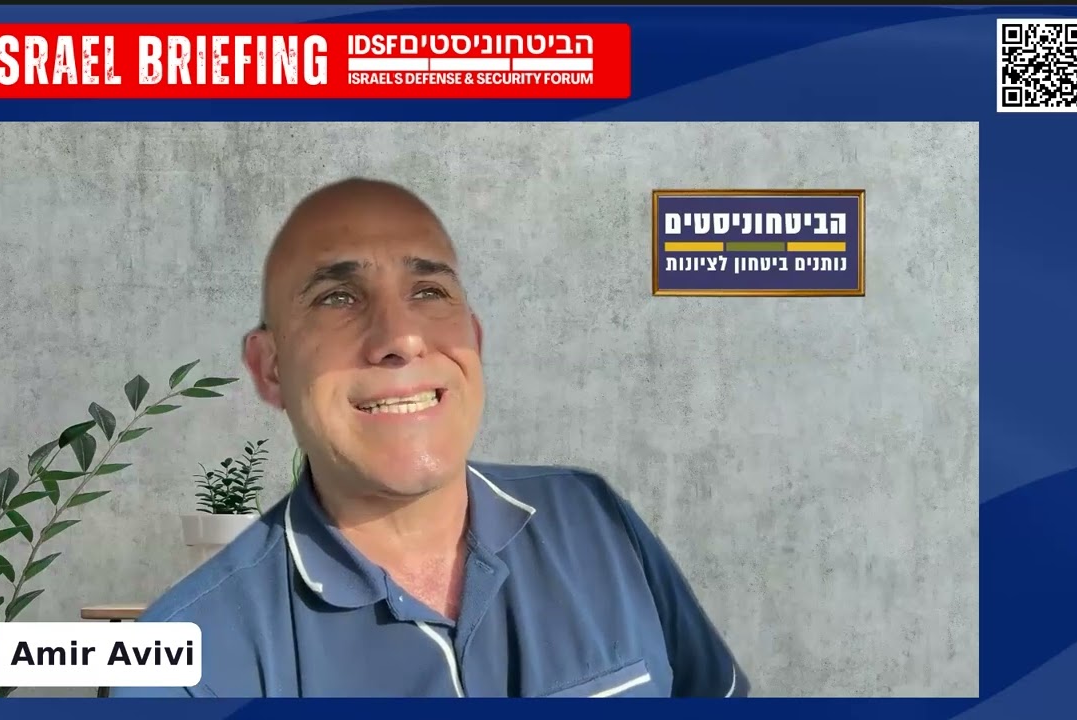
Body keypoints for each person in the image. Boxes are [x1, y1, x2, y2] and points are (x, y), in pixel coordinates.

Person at [111, 178, 750, 698]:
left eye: (428, 290)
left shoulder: (597, 522)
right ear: (270, 367)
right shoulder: (189, 664)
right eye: (338, 297)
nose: (401, 338)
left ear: (474, 340)